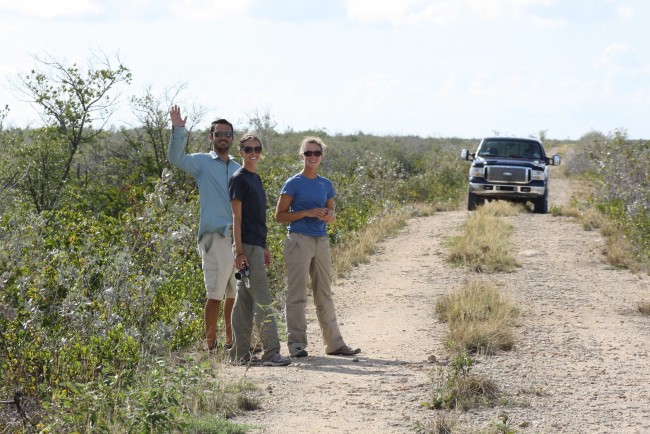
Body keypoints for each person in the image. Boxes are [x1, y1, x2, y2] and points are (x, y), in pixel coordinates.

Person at [275, 137, 361, 358]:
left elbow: (332, 216)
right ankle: (296, 345)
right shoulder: (293, 183)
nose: (312, 157)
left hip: (321, 240)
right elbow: (279, 216)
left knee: (324, 293)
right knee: (297, 294)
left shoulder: (326, 184)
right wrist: (306, 212)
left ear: (321, 156)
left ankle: (335, 344)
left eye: (317, 153)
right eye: (308, 153)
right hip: (298, 240)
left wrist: (328, 215)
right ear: (301, 155)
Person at [168, 105, 238, 352]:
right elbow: (176, 159)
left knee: (233, 292)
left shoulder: (237, 167)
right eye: (218, 133)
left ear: (232, 138)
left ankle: (232, 342)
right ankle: (211, 346)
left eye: (227, 134)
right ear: (211, 137)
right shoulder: (202, 163)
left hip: (235, 238)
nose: (222, 138)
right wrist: (178, 130)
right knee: (215, 292)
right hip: (214, 236)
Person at [229, 134, 291, 366]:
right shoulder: (239, 179)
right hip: (246, 247)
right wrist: (239, 251)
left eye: (256, 148)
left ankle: (239, 354)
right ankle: (271, 353)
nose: (252, 152)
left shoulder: (255, 178)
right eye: (247, 149)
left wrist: (264, 246)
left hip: (256, 245)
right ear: (241, 151)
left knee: (244, 301)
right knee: (263, 300)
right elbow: (236, 218)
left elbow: (258, 217)